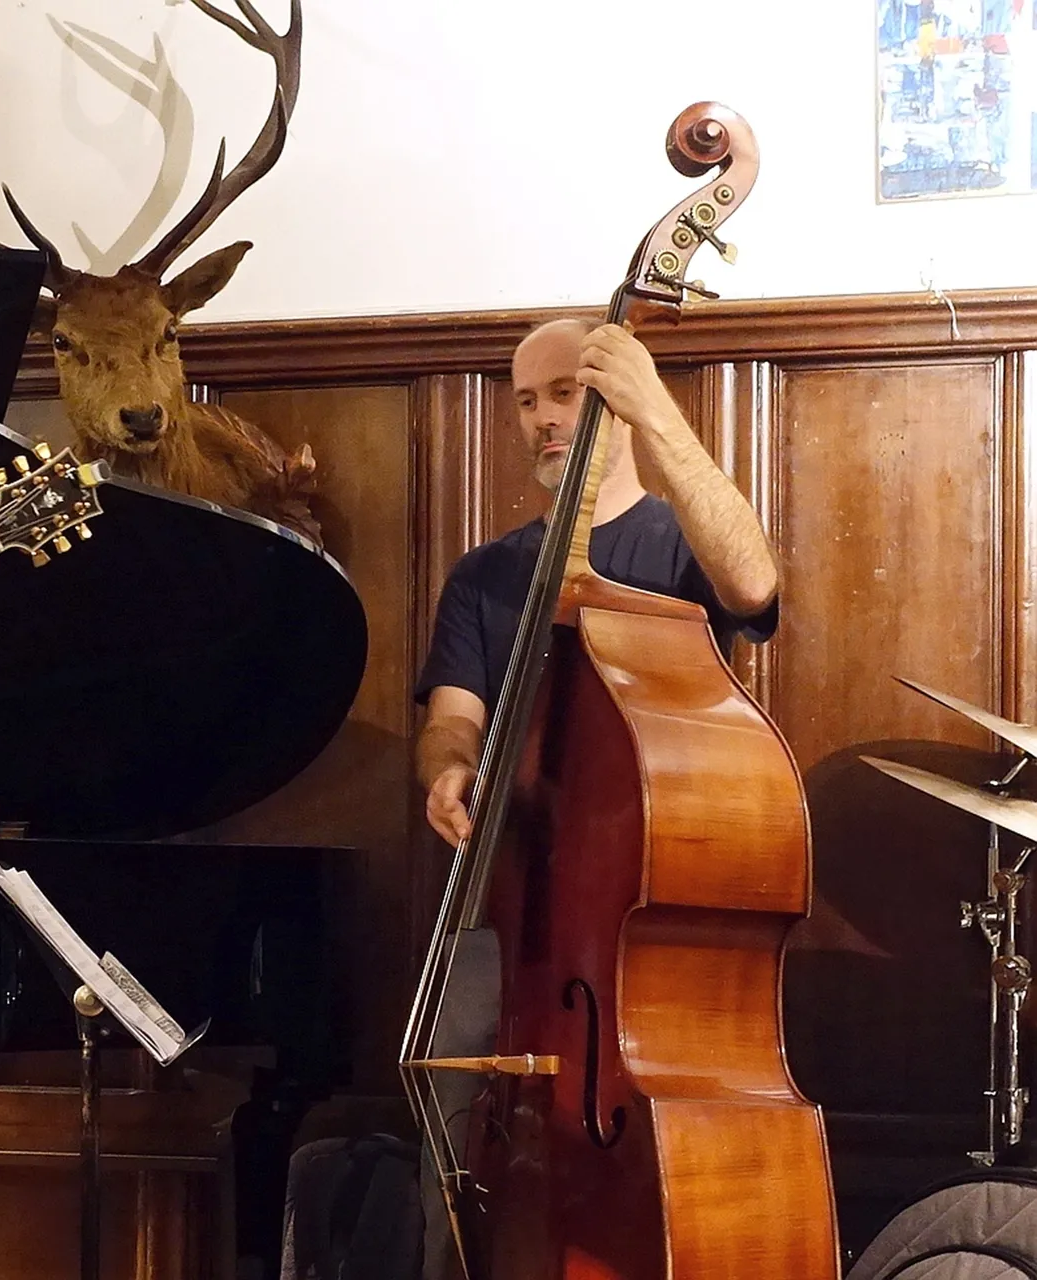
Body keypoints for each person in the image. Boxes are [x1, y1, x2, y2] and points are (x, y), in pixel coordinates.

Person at [408, 316, 781, 1279]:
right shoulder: (485, 576)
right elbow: (452, 717)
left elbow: (754, 585)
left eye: (566, 392)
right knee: (451, 1130)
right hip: (510, 908)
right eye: (526, 400)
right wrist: (449, 767)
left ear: (611, 396)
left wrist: (657, 410)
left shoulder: (679, 544)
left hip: (638, 922)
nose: (542, 417)